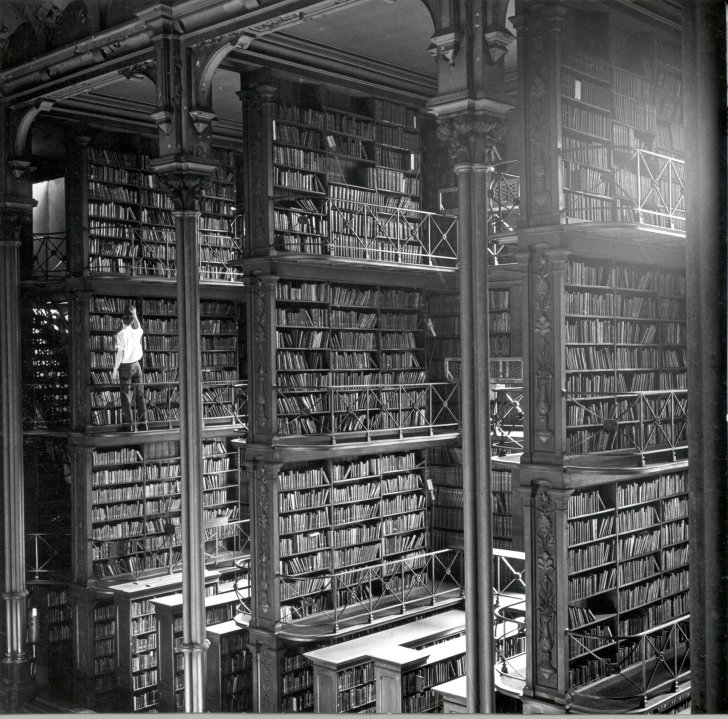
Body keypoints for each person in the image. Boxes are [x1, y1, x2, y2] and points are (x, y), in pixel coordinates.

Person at [111, 304, 148, 431]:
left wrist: (115, 370)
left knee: (126, 396)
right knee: (140, 395)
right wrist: (135, 314)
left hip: (126, 367)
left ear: (122, 321)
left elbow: (120, 354)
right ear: (132, 320)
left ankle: (129, 426)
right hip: (137, 365)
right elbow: (138, 325)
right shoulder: (137, 332)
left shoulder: (121, 334)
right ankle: (144, 424)